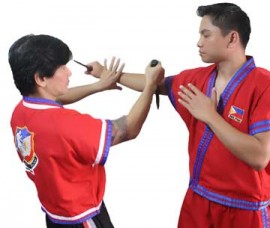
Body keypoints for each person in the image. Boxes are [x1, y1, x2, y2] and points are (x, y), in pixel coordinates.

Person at [91, 3, 270, 228]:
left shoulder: (265, 85)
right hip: (198, 203)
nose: (199, 42)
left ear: (232, 38)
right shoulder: (197, 79)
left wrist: (210, 115)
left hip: (244, 212)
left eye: (206, 35)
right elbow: (157, 85)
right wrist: (107, 75)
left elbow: (259, 157)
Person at [8, 34, 164, 227]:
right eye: (62, 68)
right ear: (41, 78)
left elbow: (55, 99)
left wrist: (98, 86)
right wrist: (150, 84)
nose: (69, 73)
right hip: (81, 216)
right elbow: (128, 129)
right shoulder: (66, 125)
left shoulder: (20, 111)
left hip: (55, 211)